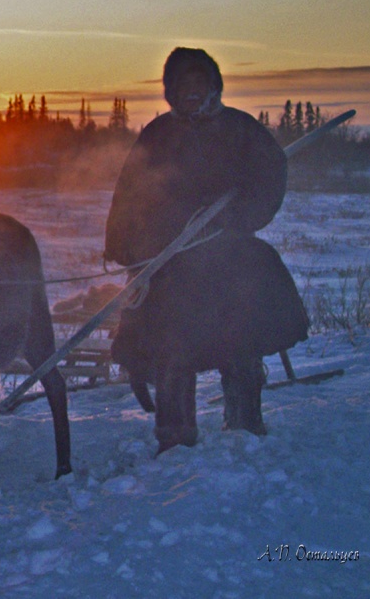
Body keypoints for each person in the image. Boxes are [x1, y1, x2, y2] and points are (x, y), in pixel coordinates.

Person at [104, 47, 309, 453]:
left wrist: (238, 215)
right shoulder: (158, 135)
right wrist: (129, 249)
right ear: (171, 91)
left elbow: (270, 177)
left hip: (229, 258)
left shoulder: (241, 129)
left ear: (214, 87)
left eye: (199, 84)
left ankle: (245, 420)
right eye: (182, 86)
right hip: (170, 263)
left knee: (240, 338)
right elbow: (130, 191)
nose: (191, 92)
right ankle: (175, 437)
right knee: (171, 348)